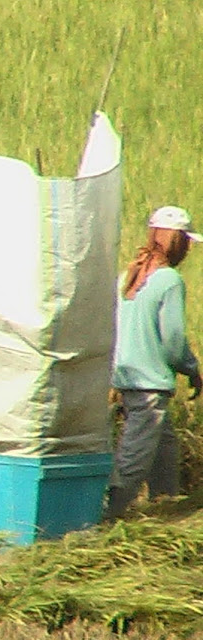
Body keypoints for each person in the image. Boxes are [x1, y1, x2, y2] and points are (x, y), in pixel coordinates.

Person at [105, 205, 203, 520]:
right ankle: (108, 516)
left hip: (124, 375)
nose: (188, 248)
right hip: (149, 383)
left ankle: (168, 506)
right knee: (133, 458)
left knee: (164, 448)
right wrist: (193, 369)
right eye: (186, 241)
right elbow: (173, 343)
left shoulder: (127, 276)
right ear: (176, 242)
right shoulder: (168, 281)